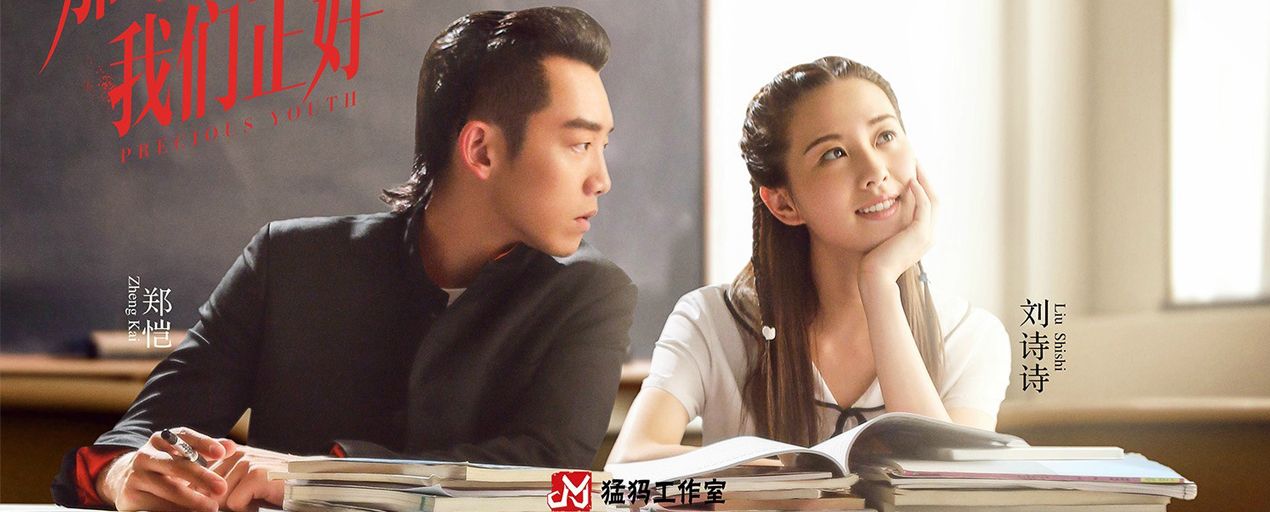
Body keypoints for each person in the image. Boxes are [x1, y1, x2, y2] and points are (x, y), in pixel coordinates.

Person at [52, 7, 636, 511]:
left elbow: (545, 478)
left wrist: (317, 478)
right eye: (580, 145)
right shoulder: (289, 261)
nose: (602, 179)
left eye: (602, 146)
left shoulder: (591, 293)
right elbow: (145, 430)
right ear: (481, 150)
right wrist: (122, 474)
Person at [608, 57, 1009, 464]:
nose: (875, 171)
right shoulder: (711, 322)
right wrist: (785, 480)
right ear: (784, 204)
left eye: (885, 136)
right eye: (834, 153)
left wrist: (879, 284)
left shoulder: (970, 338)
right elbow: (627, 464)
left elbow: (946, 487)